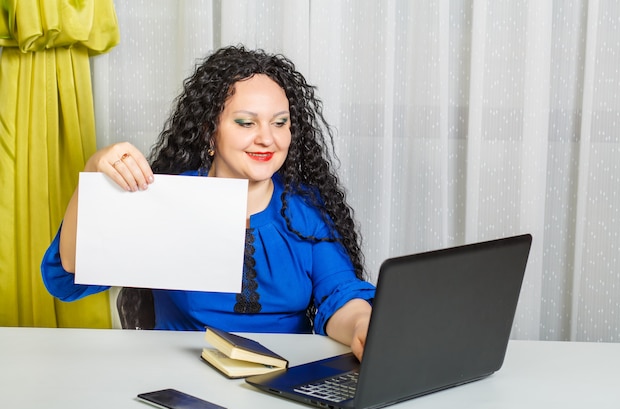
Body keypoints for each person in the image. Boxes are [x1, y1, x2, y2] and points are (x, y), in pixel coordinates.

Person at [41, 45, 375, 360]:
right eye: (246, 122)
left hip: (283, 380)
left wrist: (363, 325)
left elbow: (341, 293)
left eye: (280, 122)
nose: (267, 138)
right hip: (178, 383)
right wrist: (93, 171)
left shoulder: (305, 209)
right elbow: (68, 274)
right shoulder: (165, 200)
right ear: (209, 131)